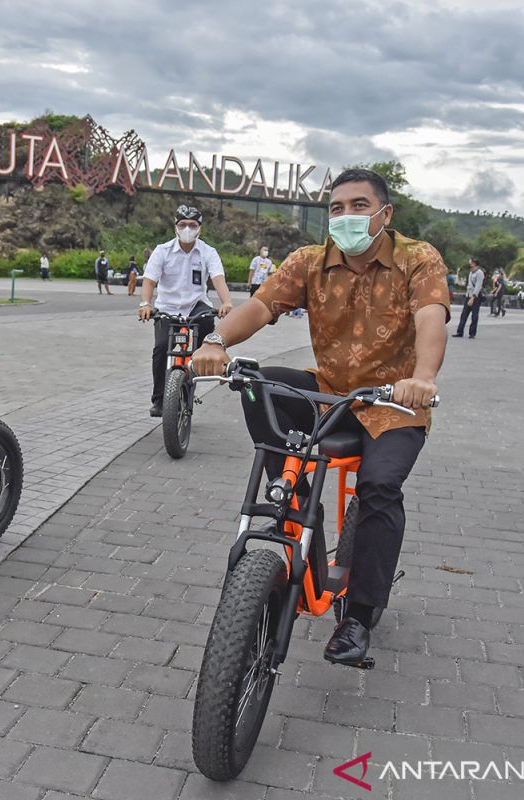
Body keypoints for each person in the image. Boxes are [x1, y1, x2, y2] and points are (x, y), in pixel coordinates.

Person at [191, 168, 449, 666]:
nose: (346, 216)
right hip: (330, 392)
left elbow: (431, 318)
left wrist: (423, 377)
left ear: (384, 214)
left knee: (378, 488)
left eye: (358, 206)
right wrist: (215, 342)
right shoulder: (309, 261)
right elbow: (262, 306)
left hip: (394, 405)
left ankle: (357, 616)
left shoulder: (418, 259)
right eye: (336, 208)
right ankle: (295, 503)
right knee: (256, 384)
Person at [138, 205, 233, 416]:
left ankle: (198, 370)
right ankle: (159, 400)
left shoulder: (208, 252)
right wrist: (145, 304)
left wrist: (226, 302)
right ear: (175, 227)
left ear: (200, 228)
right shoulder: (162, 251)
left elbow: (218, 278)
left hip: (196, 307)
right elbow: (149, 280)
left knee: (207, 333)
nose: (187, 229)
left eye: (192, 225)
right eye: (183, 224)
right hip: (167, 308)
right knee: (161, 348)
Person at [453, 258, 484, 338]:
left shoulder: (480, 273)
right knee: (464, 314)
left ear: (474, 263)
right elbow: (469, 285)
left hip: (475, 297)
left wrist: (473, 297)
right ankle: (460, 331)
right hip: (468, 295)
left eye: (471, 262)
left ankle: (472, 333)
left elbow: (478, 286)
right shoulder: (471, 272)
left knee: (474, 315)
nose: (469, 263)